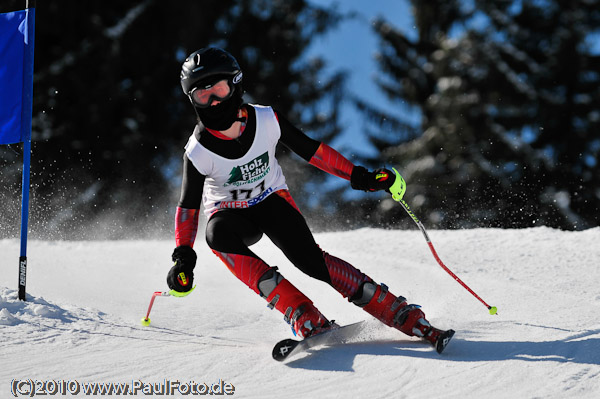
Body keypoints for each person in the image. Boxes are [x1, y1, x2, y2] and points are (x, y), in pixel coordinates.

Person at [167, 47, 452, 351]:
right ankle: (302, 313)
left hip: (271, 202)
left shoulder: (266, 119)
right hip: (230, 216)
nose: (213, 101)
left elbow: (313, 151)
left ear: (235, 84)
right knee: (217, 235)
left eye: (219, 90)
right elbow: (188, 206)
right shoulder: (198, 150)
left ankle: (396, 311)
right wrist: (183, 256)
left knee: (310, 262)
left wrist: (361, 177)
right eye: (203, 95)